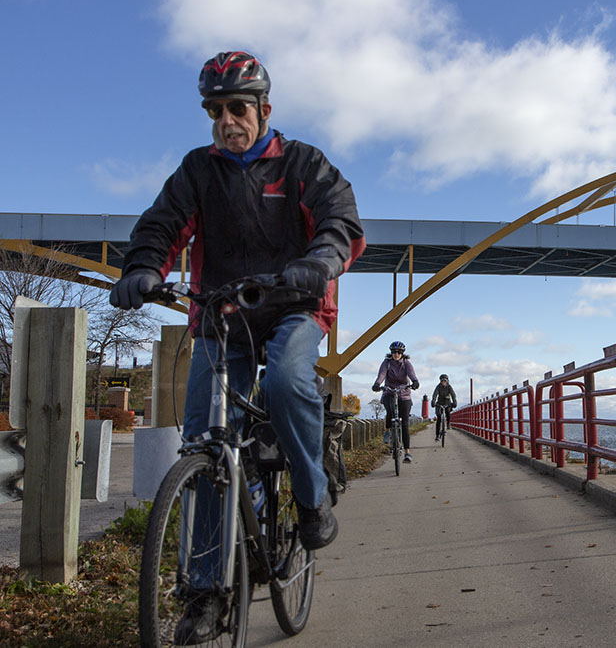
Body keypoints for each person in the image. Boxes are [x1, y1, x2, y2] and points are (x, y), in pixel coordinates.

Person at [110, 51, 365, 643]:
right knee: (202, 444)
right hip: (222, 317)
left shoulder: (303, 164)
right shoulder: (198, 171)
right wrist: (144, 267)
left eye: (238, 108)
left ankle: (309, 499)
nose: (227, 120)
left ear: (263, 110)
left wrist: (320, 261)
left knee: (285, 382)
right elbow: (161, 225)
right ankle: (205, 590)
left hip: (294, 309)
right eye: (216, 110)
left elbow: (340, 223)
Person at [372, 341, 419, 462]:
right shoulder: (386, 363)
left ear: (402, 353)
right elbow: (382, 375)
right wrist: (377, 384)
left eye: (399, 352)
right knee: (390, 411)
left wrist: (414, 382)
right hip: (389, 391)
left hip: (404, 394)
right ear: (391, 353)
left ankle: (407, 453)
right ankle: (388, 431)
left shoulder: (406, 364)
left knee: (405, 424)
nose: (396, 354)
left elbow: (412, 374)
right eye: (394, 352)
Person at [431, 374, 457, 441]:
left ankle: (448, 423)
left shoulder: (449, 387)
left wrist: (454, 401)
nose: (443, 382)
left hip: (447, 403)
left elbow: (453, 395)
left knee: (448, 411)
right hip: (439, 403)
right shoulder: (438, 387)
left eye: (445, 381)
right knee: (439, 418)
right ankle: (437, 435)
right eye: (442, 381)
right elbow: (435, 394)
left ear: (447, 381)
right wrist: (433, 401)